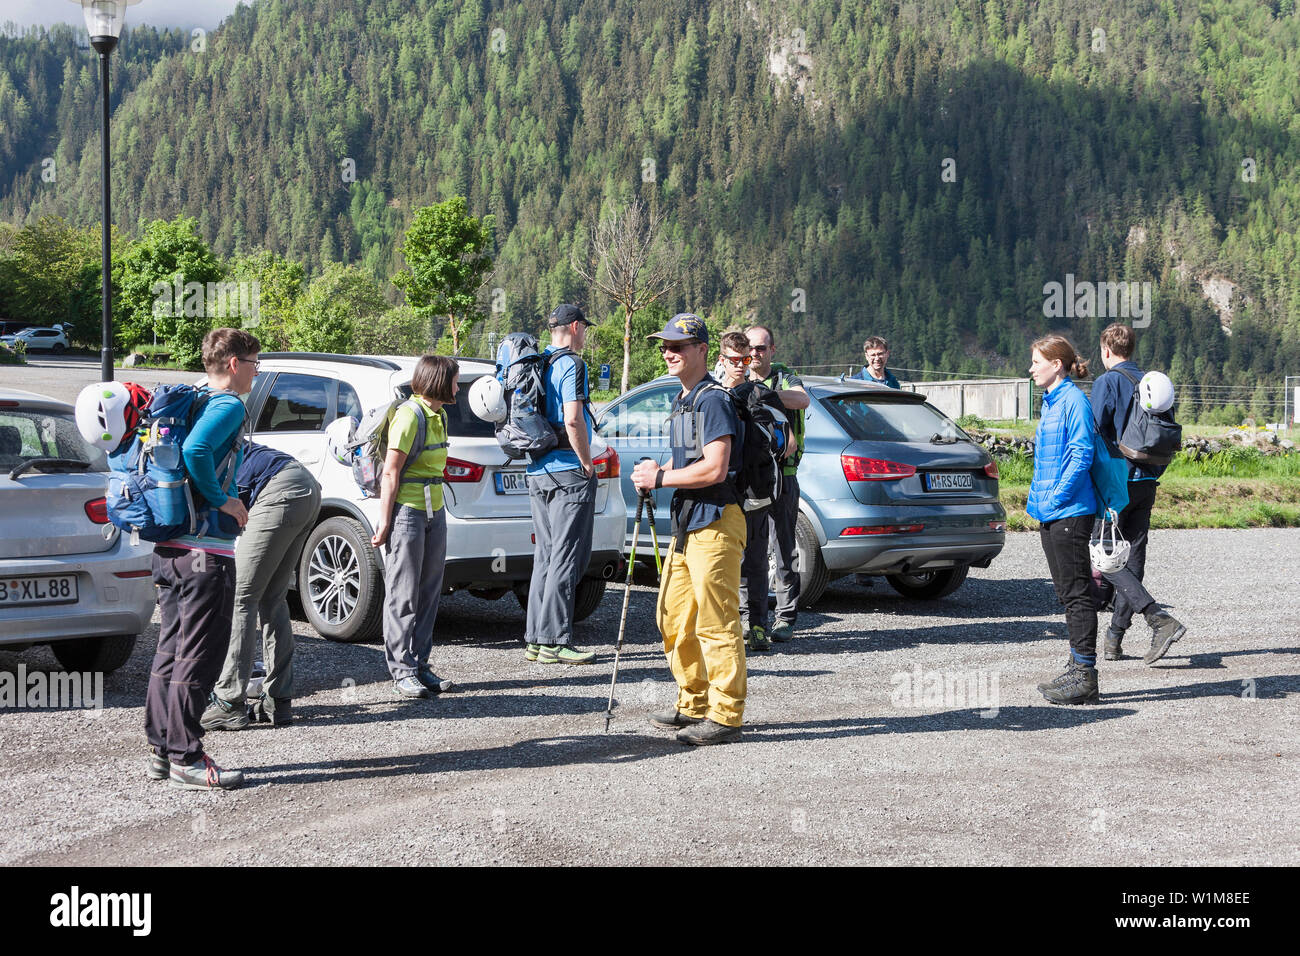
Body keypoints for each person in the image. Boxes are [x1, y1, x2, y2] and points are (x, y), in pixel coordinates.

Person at [144, 327, 258, 790]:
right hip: (204, 551)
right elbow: (195, 451)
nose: (257, 370)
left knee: (170, 649)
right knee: (201, 655)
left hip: (171, 547)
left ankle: (161, 749)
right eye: (254, 362)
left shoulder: (192, 399)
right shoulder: (229, 404)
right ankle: (186, 756)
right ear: (234, 364)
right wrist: (224, 502)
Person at [632, 313, 747, 746]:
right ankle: (693, 700)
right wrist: (657, 469)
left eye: (678, 346)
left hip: (717, 520)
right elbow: (688, 463)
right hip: (689, 522)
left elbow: (716, 468)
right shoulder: (684, 399)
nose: (668, 352)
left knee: (717, 622)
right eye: (665, 345)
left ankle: (726, 715)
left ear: (702, 351)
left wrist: (660, 480)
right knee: (674, 616)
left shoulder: (712, 400)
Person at [201, 440, 322, 731]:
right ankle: (278, 700)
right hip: (306, 486)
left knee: (239, 598)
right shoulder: (215, 437)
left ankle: (229, 702)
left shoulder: (196, 451)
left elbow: (223, 521)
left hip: (280, 491)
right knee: (272, 597)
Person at [1090, 323, 1187, 663]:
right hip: (1148, 480)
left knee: (1105, 555)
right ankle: (1114, 638)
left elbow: (1095, 430)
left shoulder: (1107, 382)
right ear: (1131, 349)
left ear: (1106, 350)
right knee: (1134, 557)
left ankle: (1158, 619)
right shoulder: (1152, 383)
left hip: (1117, 481)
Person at [371, 354, 460, 700]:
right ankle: (402, 670)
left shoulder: (440, 414)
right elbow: (391, 472)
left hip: (434, 508)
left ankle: (420, 664)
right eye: (454, 381)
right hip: (408, 510)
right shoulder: (409, 415)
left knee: (429, 590)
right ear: (439, 381)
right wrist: (385, 520)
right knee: (403, 592)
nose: (457, 387)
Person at [1026, 335, 1101, 705]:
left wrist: (1056, 497)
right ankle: (1077, 666)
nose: (1032, 368)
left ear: (1057, 364)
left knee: (1077, 594)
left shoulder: (1073, 400)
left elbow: (1081, 454)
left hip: (1069, 511)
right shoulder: (1053, 401)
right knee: (1067, 593)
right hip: (1051, 512)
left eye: (1037, 361)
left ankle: (1085, 676)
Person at [523, 303, 599, 665]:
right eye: (584, 327)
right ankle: (555, 640)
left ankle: (536, 640)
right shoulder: (571, 364)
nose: (585, 333)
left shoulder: (537, 362)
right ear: (573, 326)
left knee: (546, 555)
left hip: (538, 470)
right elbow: (573, 419)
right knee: (567, 556)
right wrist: (586, 461)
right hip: (568, 469)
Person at [744, 323, 810, 645]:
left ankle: (785, 617)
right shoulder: (735, 378)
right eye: (750, 348)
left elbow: (802, 400)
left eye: (761, 348)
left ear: (772, 350)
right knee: (750, 551)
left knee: (783, 548)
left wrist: (766, 395)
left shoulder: (784, 377)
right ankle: (751, 618)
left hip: (784, 476)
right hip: (751, 480)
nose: (755, 354)